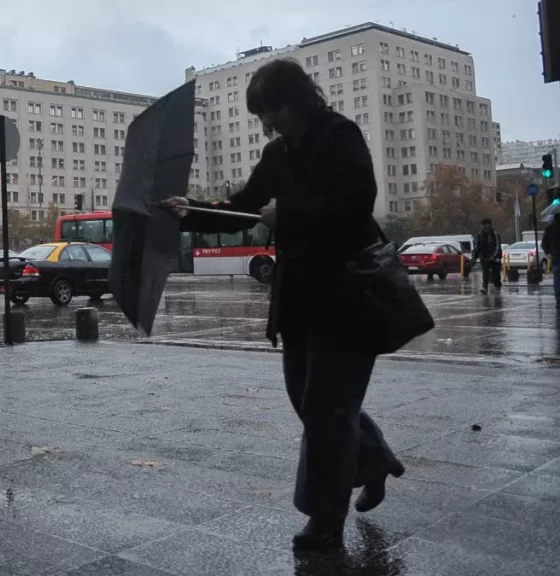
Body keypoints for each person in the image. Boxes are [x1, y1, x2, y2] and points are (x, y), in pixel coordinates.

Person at [162, 58, 404, 551]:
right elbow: (246, 206)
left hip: (349, 296)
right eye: (262, 116)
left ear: (295, 102)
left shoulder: (340, 135)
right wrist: (191, 210)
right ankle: (374, 458)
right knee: (309, 400)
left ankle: (324, 520)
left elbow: (359, 200)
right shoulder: (278, 155)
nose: (266, 123)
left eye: (269, 112)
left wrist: (289, 213)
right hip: (299, 300)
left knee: (326, 410)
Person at [471, 218, 503, 294]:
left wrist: (493, 256)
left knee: (496, 275)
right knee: (485, 273)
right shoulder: (480, 234)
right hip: (484, 257)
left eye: (485, 226)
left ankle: (497, 285)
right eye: (482, 226)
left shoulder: (495, 234)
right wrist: (474, 257)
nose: (484, 228)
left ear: (489, 225)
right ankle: (484, 287)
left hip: (495, 258)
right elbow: (478, 247)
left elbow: (498, 247)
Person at [542, 217, 559, 305]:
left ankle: (558, 299)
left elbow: (544, 243)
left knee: (557, 278)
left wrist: (548, 252)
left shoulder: (549, 229)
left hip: (556, 256)